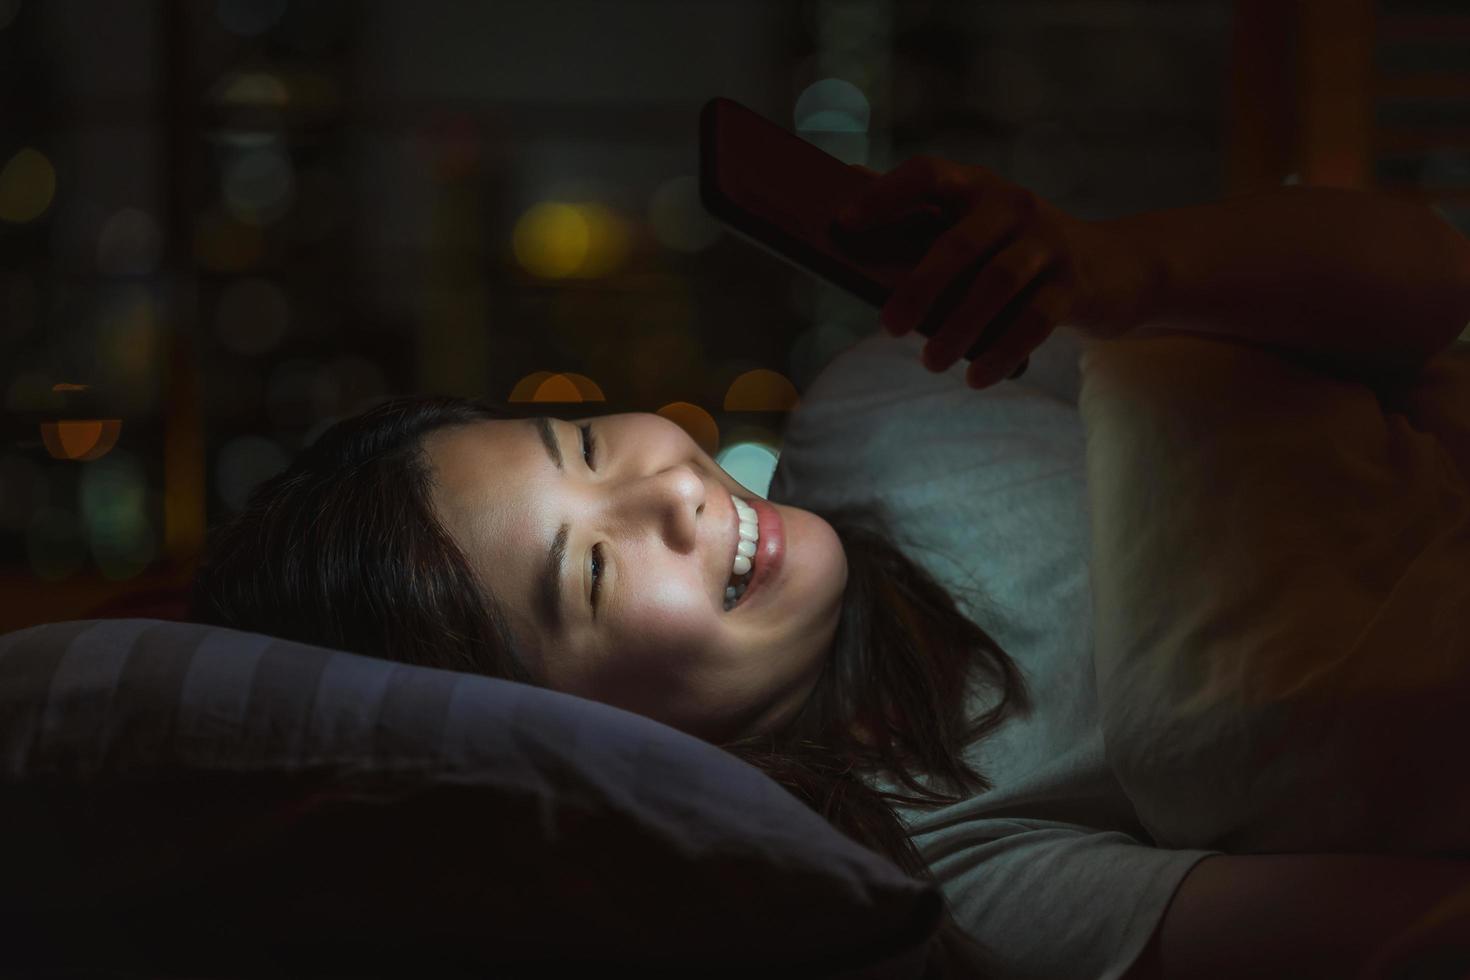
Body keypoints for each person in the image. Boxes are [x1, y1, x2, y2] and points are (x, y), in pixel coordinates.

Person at [189, 155, 1470, 978]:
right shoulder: (938, 871)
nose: (669, 491)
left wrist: (1125, 270)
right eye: (589, 573)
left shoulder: (898, 391)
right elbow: (1410, 929)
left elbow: (1428, 283)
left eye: (584, 442)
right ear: (574, 741)